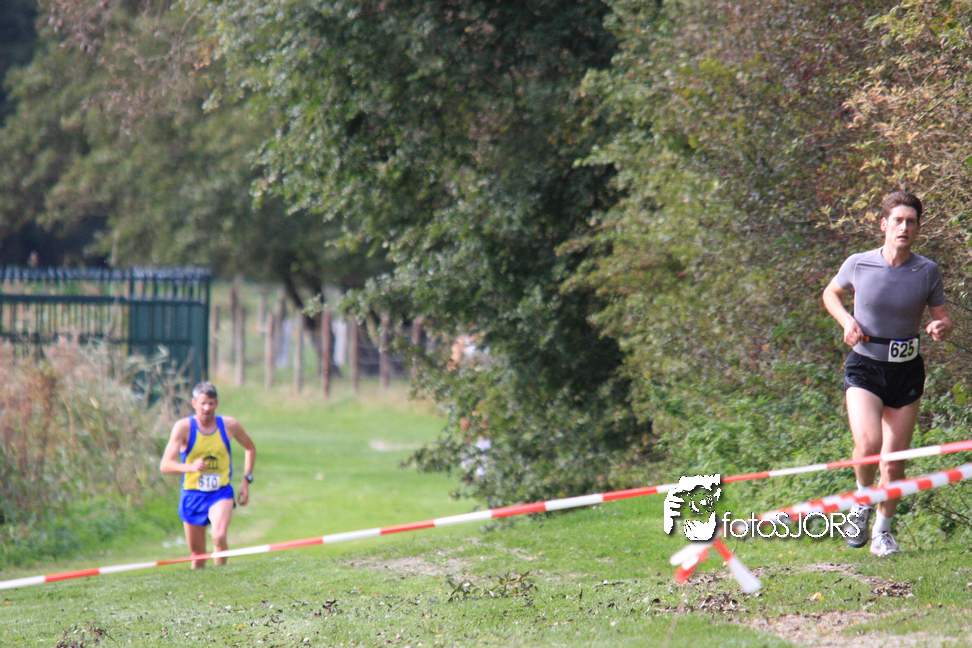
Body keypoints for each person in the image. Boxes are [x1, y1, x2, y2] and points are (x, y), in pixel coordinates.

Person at [822, 190, 952, 557]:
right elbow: (831, 294)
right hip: (865, 366)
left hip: (906, 372)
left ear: (918, 228)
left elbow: (943, 318)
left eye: (911, 222)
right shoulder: (859, 263)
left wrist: (940, 327)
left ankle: (882, 532)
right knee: (868, 445)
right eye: (898, 220)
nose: (904, 227)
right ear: (884, 224)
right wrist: (847, 321)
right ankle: (862, 501)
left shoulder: (927, 271)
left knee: (894, 463)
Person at [160, 381, 257, 569]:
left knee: (219, 536)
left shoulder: (229, 425)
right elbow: (165, 466)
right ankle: (201, 584)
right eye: (203, 403)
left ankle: (220, 576)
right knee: (198, 556)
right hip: (192, 494)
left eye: (211, 403)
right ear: (194, 403)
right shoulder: (184, 427)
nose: (207, 408)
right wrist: (190, 467)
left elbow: (250, 448)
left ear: (216, 404)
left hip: (220, 493)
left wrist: (246, 480)